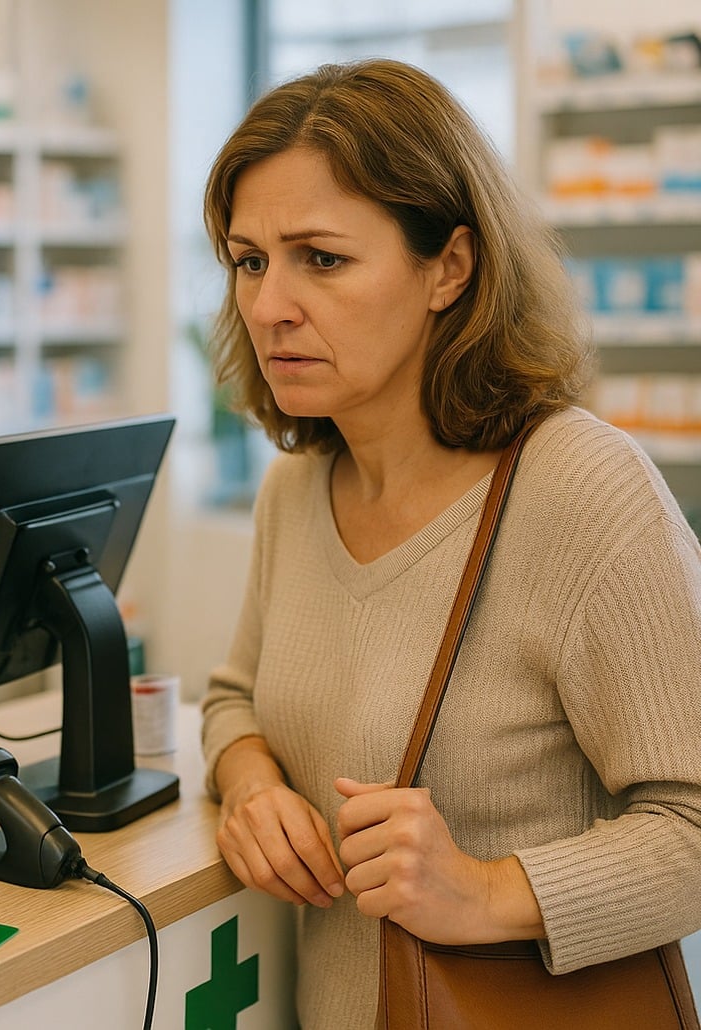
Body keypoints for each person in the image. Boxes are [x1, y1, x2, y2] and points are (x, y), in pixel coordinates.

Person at [198, 58, 701, 1028]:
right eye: (250, 259)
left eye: (323, 259)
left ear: (450, 268)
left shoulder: (580, 489)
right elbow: (232, 696)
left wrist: (486, 888)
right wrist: (251, 782)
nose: (268, 307)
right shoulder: (297, 489)